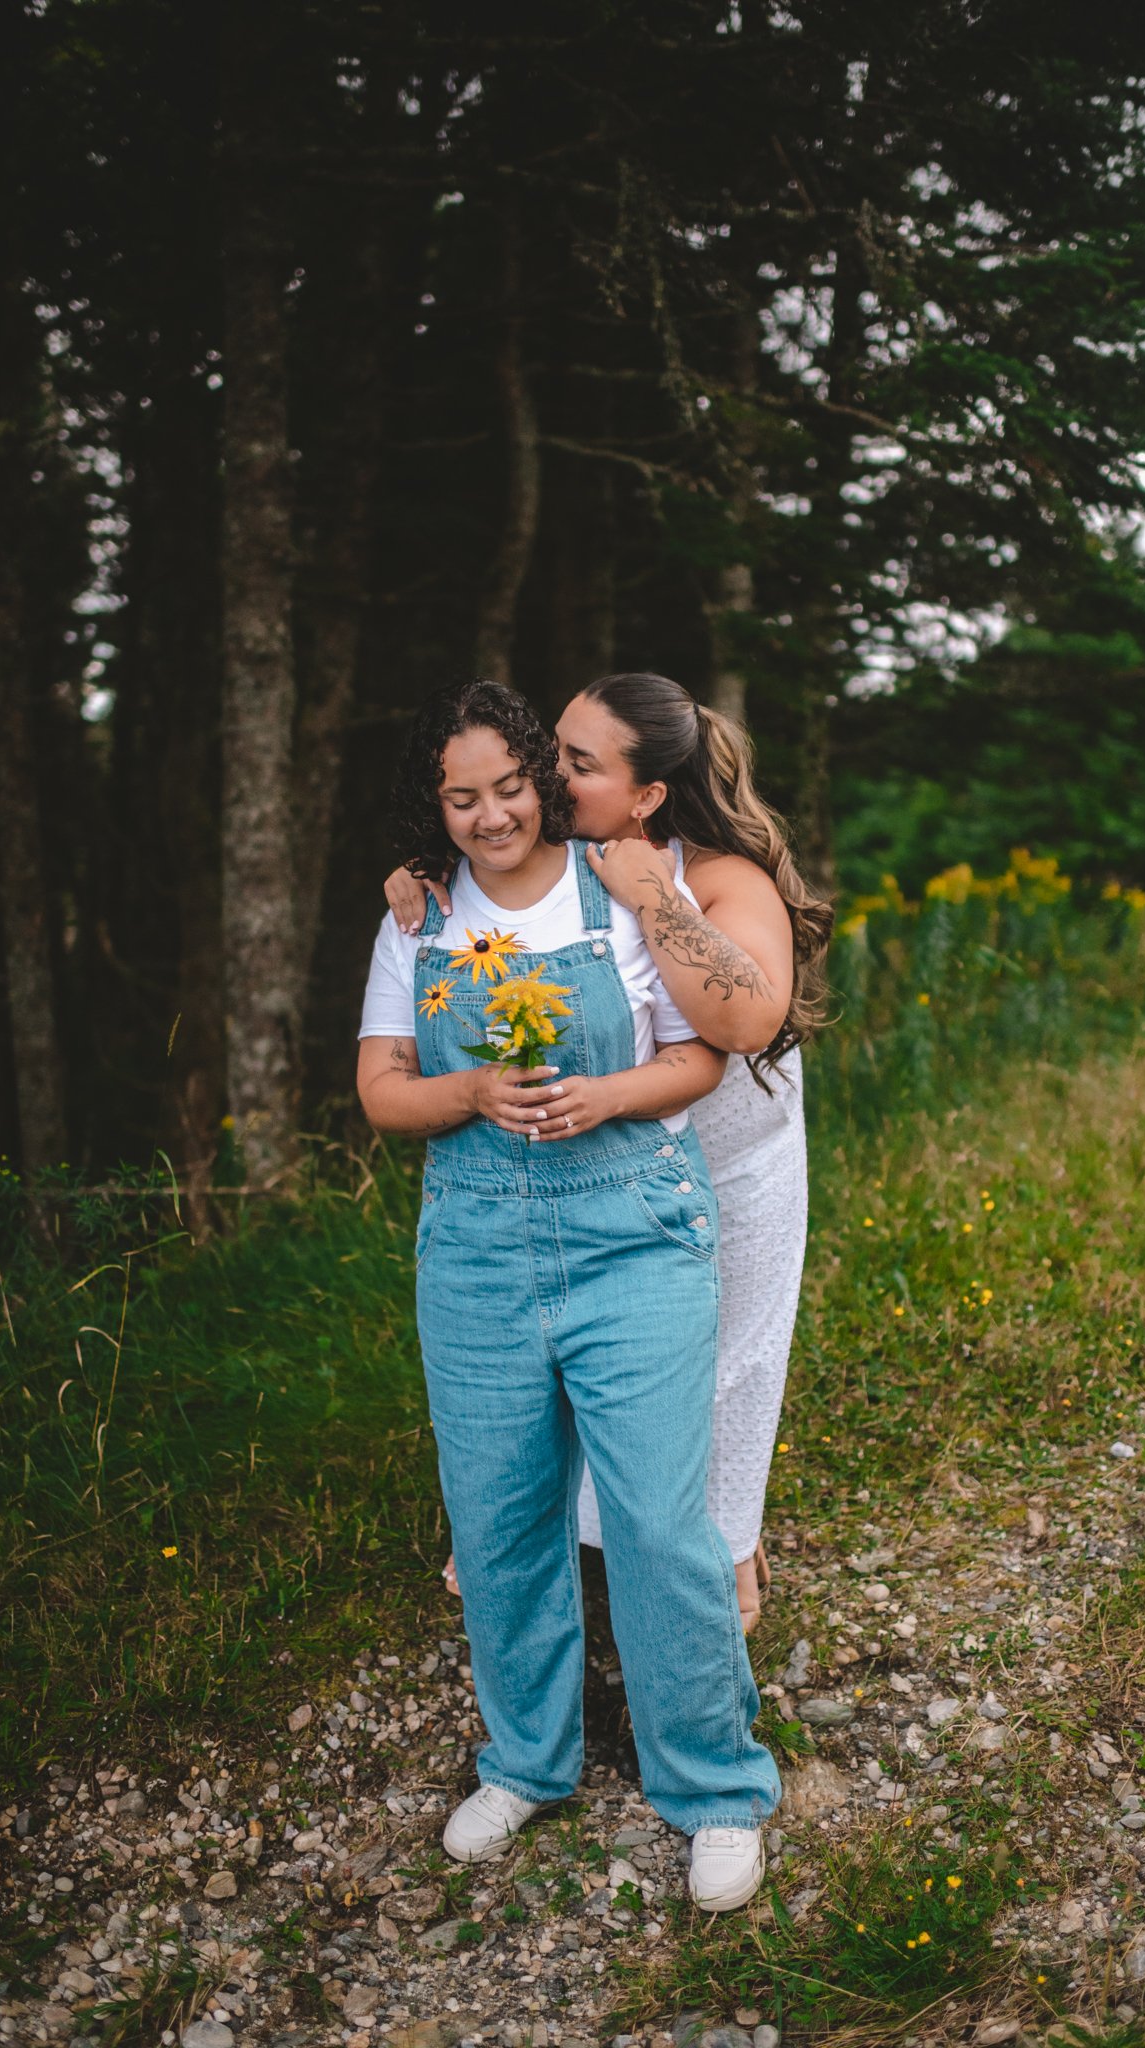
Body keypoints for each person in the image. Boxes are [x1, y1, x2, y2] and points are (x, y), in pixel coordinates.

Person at [358, 678, 780, 1911]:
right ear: (434, 806)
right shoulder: (415, 916)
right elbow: (384, 1086)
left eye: (508, 785)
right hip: (477, 1246)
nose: (490, 815)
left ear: (543, 776)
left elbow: (705, 1050)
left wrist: (605, 1095)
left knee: (658, 1514)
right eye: (460, 795)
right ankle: (525, 1762)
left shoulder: (628, 885)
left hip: (634, 1229)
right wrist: (471, 1095)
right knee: (497, 1512)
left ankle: (713, 1785)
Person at [385, 672, 833, 1630]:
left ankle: (723, 1576)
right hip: (595, 1159)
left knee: (721, 1364)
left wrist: (653, 898)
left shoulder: (714, 875)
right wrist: (421, 879)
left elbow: (749, 1020)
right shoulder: (559, 855)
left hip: (730, 1155)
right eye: (552, 746)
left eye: (575, 764)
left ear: (647, 797)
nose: (547, 772)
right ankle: (545, 1545)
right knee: (574, 1346)